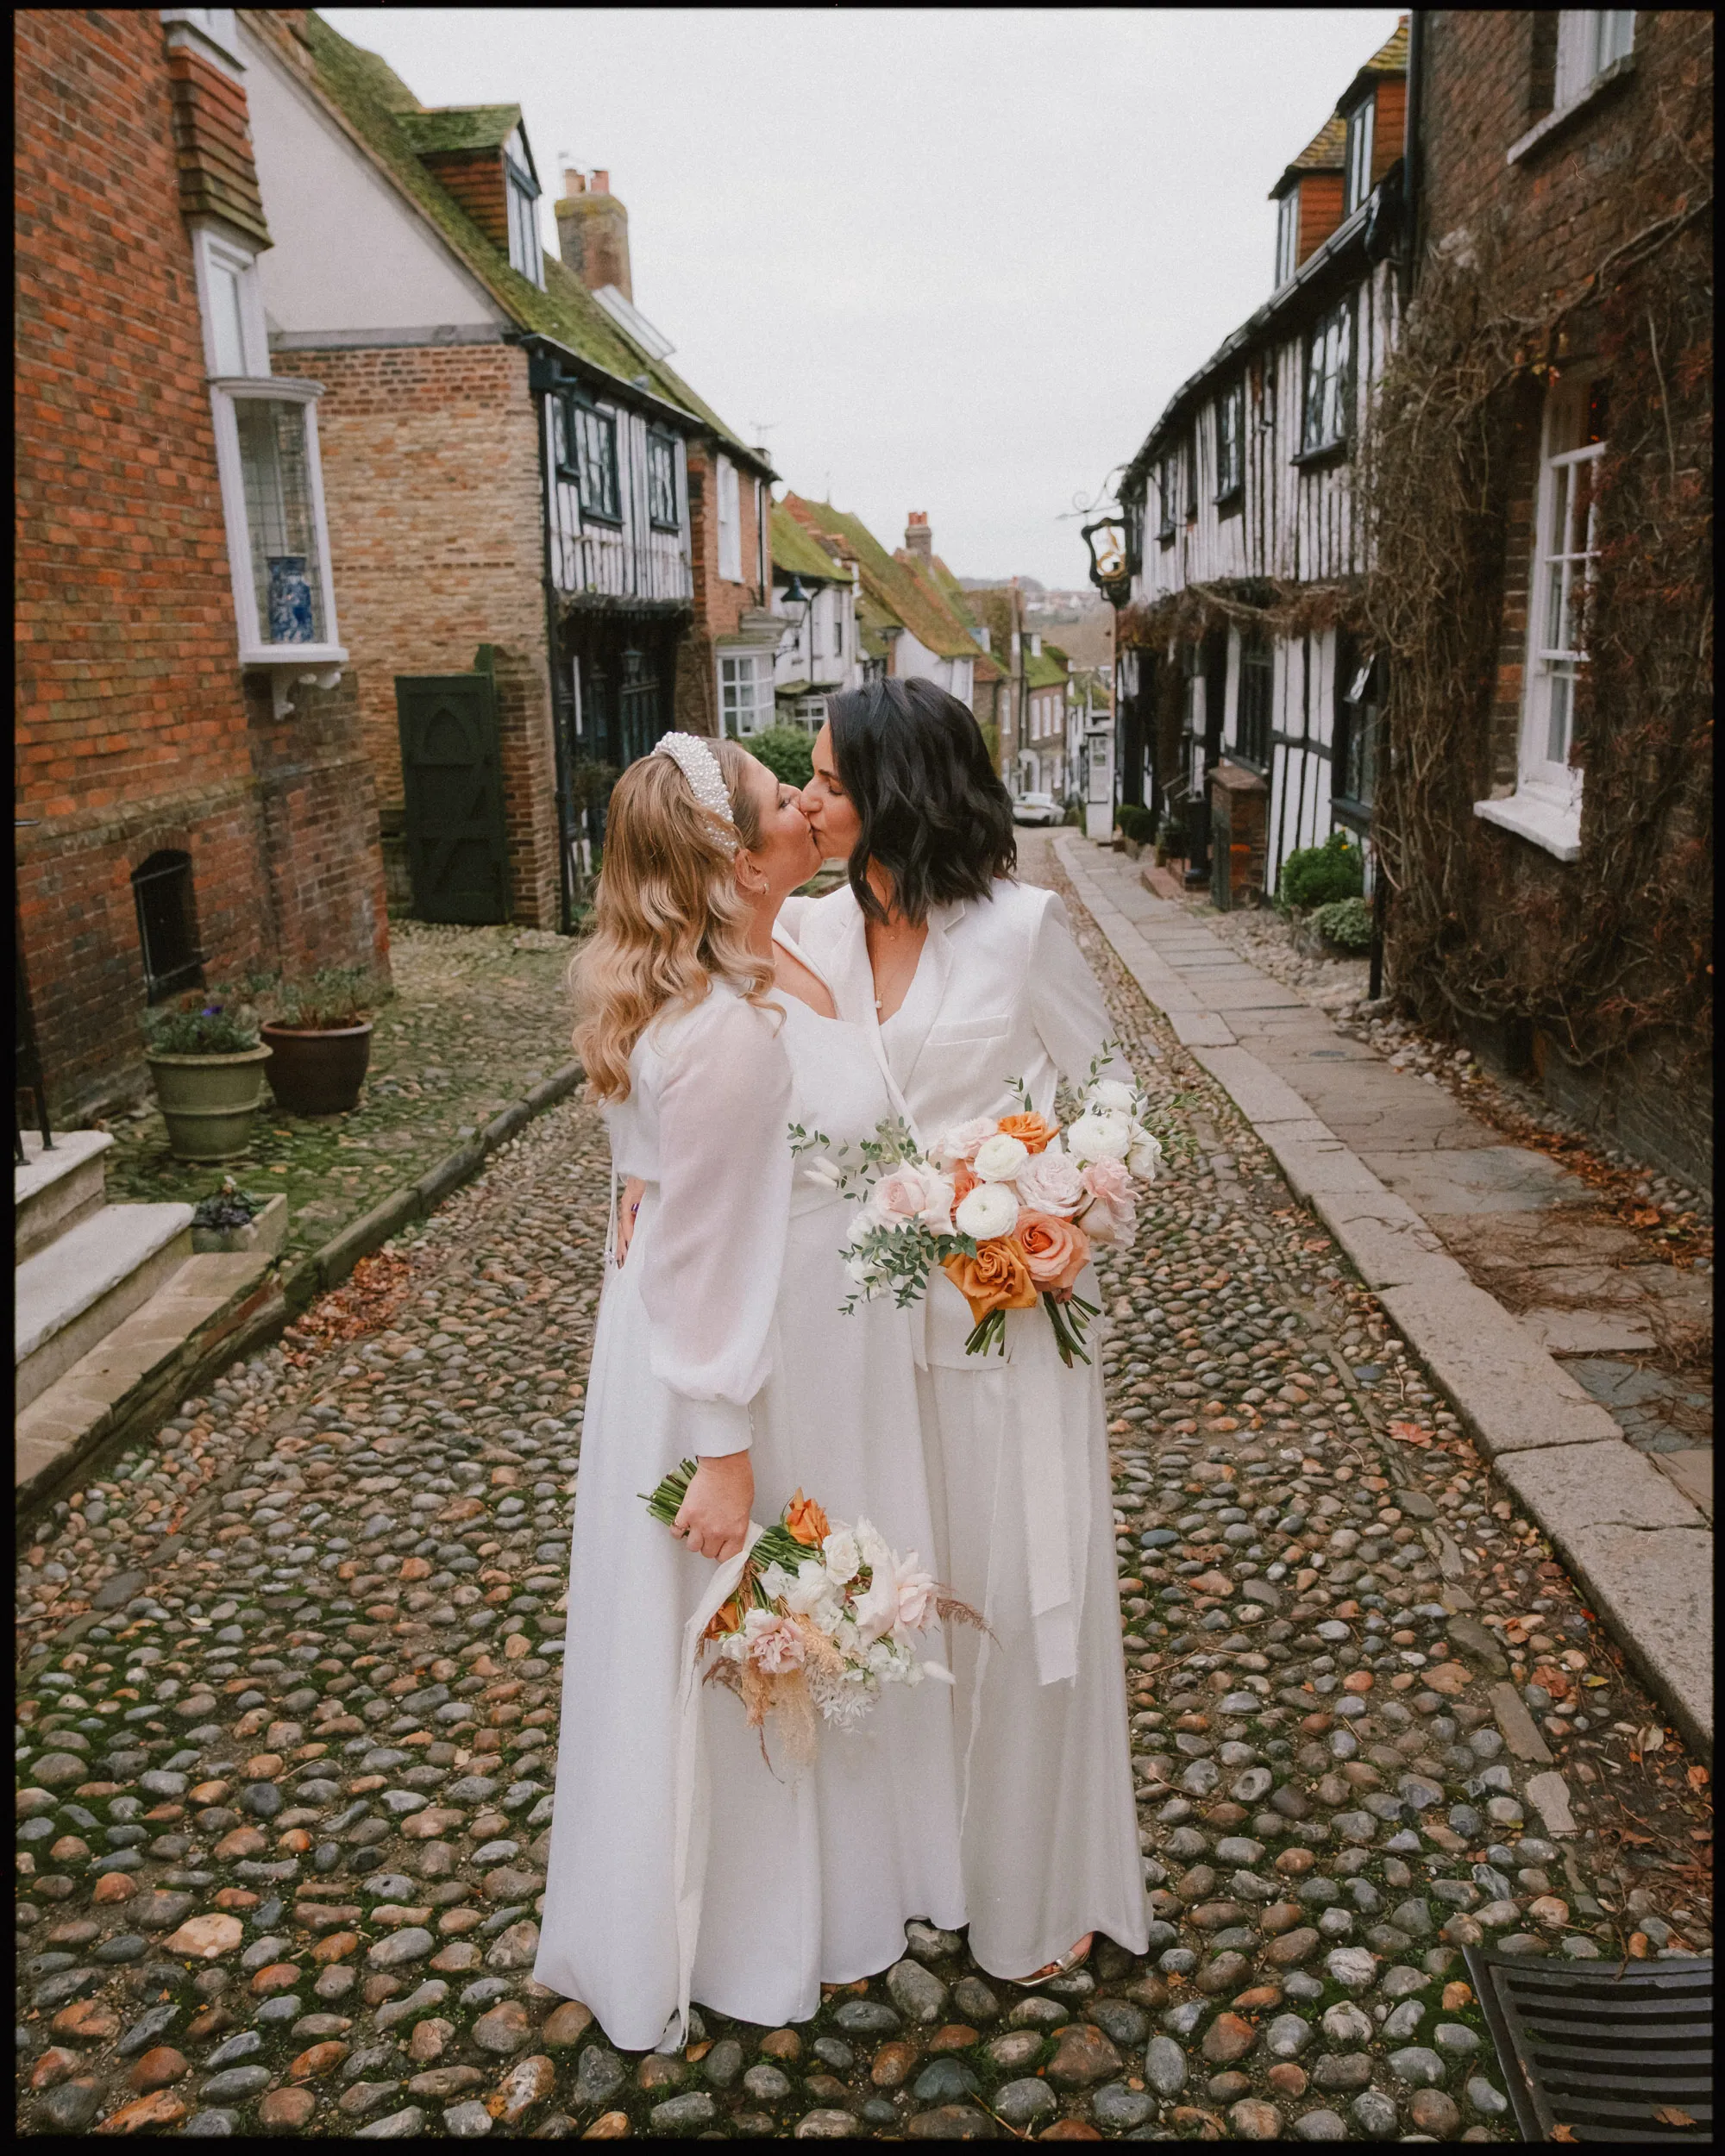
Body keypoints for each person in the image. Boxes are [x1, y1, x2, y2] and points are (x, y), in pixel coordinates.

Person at [535, 730, 963, 2051]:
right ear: (729, 854)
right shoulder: (717, 1029)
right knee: (746, 1624)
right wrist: (722, 1448)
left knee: (777, 1628)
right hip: (728, 1375)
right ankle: (746, 1927)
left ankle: (803, 1894)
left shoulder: (741, 973)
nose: (809, 811)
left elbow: (665, 1196)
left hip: (758, 1355)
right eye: (788, 801)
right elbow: (706, 1248)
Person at [780, 676, 1148, 1985]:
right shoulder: (806, 938)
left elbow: (1109, 1096)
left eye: (828, 779)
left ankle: (1032, 1894)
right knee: (891, 1615)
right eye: (809, 779)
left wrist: (1064, 1203)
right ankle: (896, 1876)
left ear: (897, 792)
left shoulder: (1024, 928)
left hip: (1006, 1336)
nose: (809, 799)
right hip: (861, 1349)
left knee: (1017, 1598)